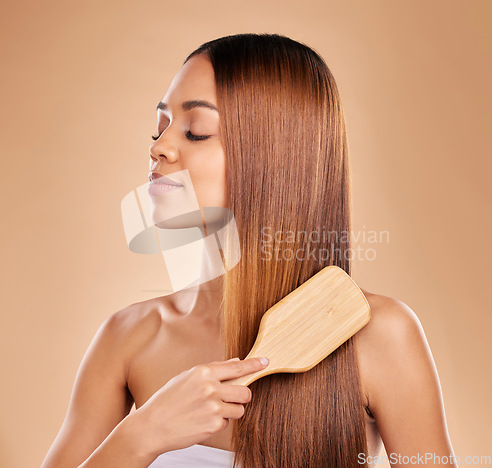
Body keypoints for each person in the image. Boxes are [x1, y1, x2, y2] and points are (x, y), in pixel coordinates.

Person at [42, 33, 456, 468]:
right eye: (159, 126)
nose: (159, 147)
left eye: (196, 132)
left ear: (276, 157)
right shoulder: (127, 340)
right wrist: (141, 435)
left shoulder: (376, 335)